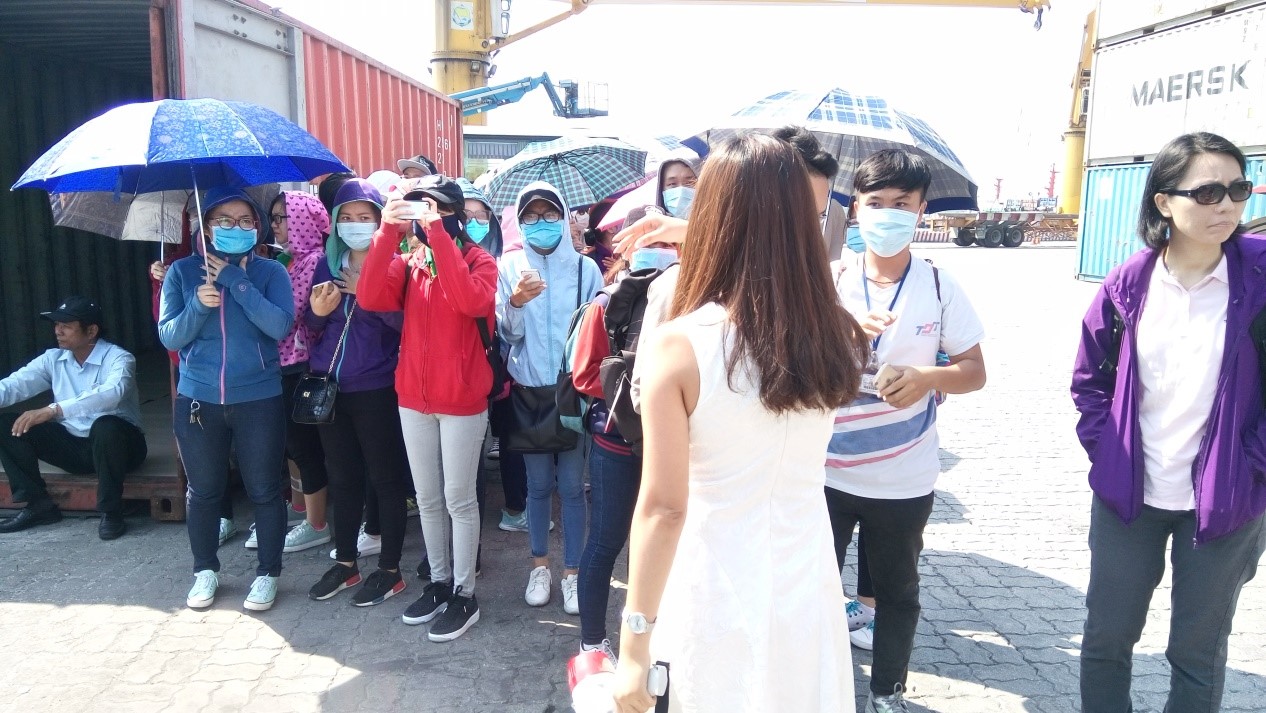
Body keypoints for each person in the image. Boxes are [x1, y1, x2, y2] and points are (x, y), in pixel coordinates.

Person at [611, 133, 867, 713]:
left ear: (712, 218)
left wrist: (634, 643)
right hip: (808, 581)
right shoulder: (837, 332)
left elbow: (663, 508)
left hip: (714, 588)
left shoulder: (681, 345)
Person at [1072, 132, 1266, 713]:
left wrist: (1253, 467)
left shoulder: (1259, 281)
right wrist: (1110, 454)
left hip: (1224, 503)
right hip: (1130, 496)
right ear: (1163, 202)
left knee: (1197, 653)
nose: (1227, 205)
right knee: (1107, 640)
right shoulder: (1129, 284)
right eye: (1207, 191)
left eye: (1238, 189)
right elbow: (1090, 382)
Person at [824, 149, 987, 712]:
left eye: (902, 204)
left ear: (921, 211)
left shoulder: (941, 288)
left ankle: (887, 692)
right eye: (876, 203)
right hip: (823, 470)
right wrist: (838, 344)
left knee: (897, 594)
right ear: (855, 210)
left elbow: (974, 371)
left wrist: (926, 376)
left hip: (904, 477)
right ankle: (818, 689)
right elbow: (787, 365)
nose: (888, 215)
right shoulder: (828, 282)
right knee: (813, 590)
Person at [359, 175, 497, 642]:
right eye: (420, 209)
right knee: (429, 499)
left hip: (460, 400)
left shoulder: (479, 261)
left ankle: (464, 592)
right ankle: (438, 583)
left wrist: (438, 236)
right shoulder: (410, 261)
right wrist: (386, 233)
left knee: (460, 499)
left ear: (454, 215)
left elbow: (469, 300)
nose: (425, 216)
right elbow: (371, 296)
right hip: (413, 400)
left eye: (435, 209)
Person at [159, 187, 294, 612]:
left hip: (259, 398)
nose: (235, 229)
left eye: (245, 221)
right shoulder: (182, 273)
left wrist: (237, 282)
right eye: (223, 221)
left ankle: (268, 574)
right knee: (203, 492)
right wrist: (198, 304)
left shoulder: (271, 273)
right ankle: (205, 571)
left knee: (266, 491)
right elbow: (170, 336)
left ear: (256, 228)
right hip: (198, 401)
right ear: (205, 225)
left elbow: (279, 327)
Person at [571, 221, 680, 664]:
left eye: (666, 243)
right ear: (628, 251)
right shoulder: (605, 304)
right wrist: (633, 386)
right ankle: (593, 645)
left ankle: (651, 638)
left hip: (673, 448)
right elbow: (582, 374)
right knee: (605, 542)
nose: (656, 251)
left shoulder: (691, 302)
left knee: (659, 544)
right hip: (616, 445)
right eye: (647, 244)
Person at [496, 181, 604, 614]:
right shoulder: (509, 266)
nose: (541, 223)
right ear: (520, 222)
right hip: (528, 392)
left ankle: (572, 574)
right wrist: (516, 303)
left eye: (548, 214)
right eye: (531, 216)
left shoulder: (585, 269)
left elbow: (596, 334)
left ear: (562, 215)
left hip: (571, 394)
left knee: (572, 488)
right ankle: (539, 566)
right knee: (538, 487)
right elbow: (508, 335)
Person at [304, 179, 412, 607]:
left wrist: (367, 297)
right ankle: (346, 562)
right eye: (345, 218)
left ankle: (390, 570)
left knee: (385, 479)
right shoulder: (326, 263)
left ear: (378, 221)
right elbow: (311, 328)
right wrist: (317, 313)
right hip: (329, 388)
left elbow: (406, 328)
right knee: (342, 477)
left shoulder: (396, 266)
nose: (353, 225)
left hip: (376, 386)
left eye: (363, 218)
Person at [0, 297, 147, 540]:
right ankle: (38, 505)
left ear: (91, 331)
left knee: (105, 425)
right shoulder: (53, 359)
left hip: (121, 448)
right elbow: (15, 385)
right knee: (6, 425)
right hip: (75, 447)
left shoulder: (119, 359)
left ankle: (111, 511)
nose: (58, 330)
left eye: (66, 325)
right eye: (56, 324)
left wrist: (53, 410)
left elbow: (112, 394)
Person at [262, 191, 333, 555]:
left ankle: (317, 524)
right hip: (281, 363)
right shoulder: (287, 260)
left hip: (300, 364)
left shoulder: (313, 262)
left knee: (305, 448)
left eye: (281, 216)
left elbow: (286, 316)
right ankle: (302, 509)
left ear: (302, 220)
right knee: (291, 445)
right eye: (272, 217)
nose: (274, 224)